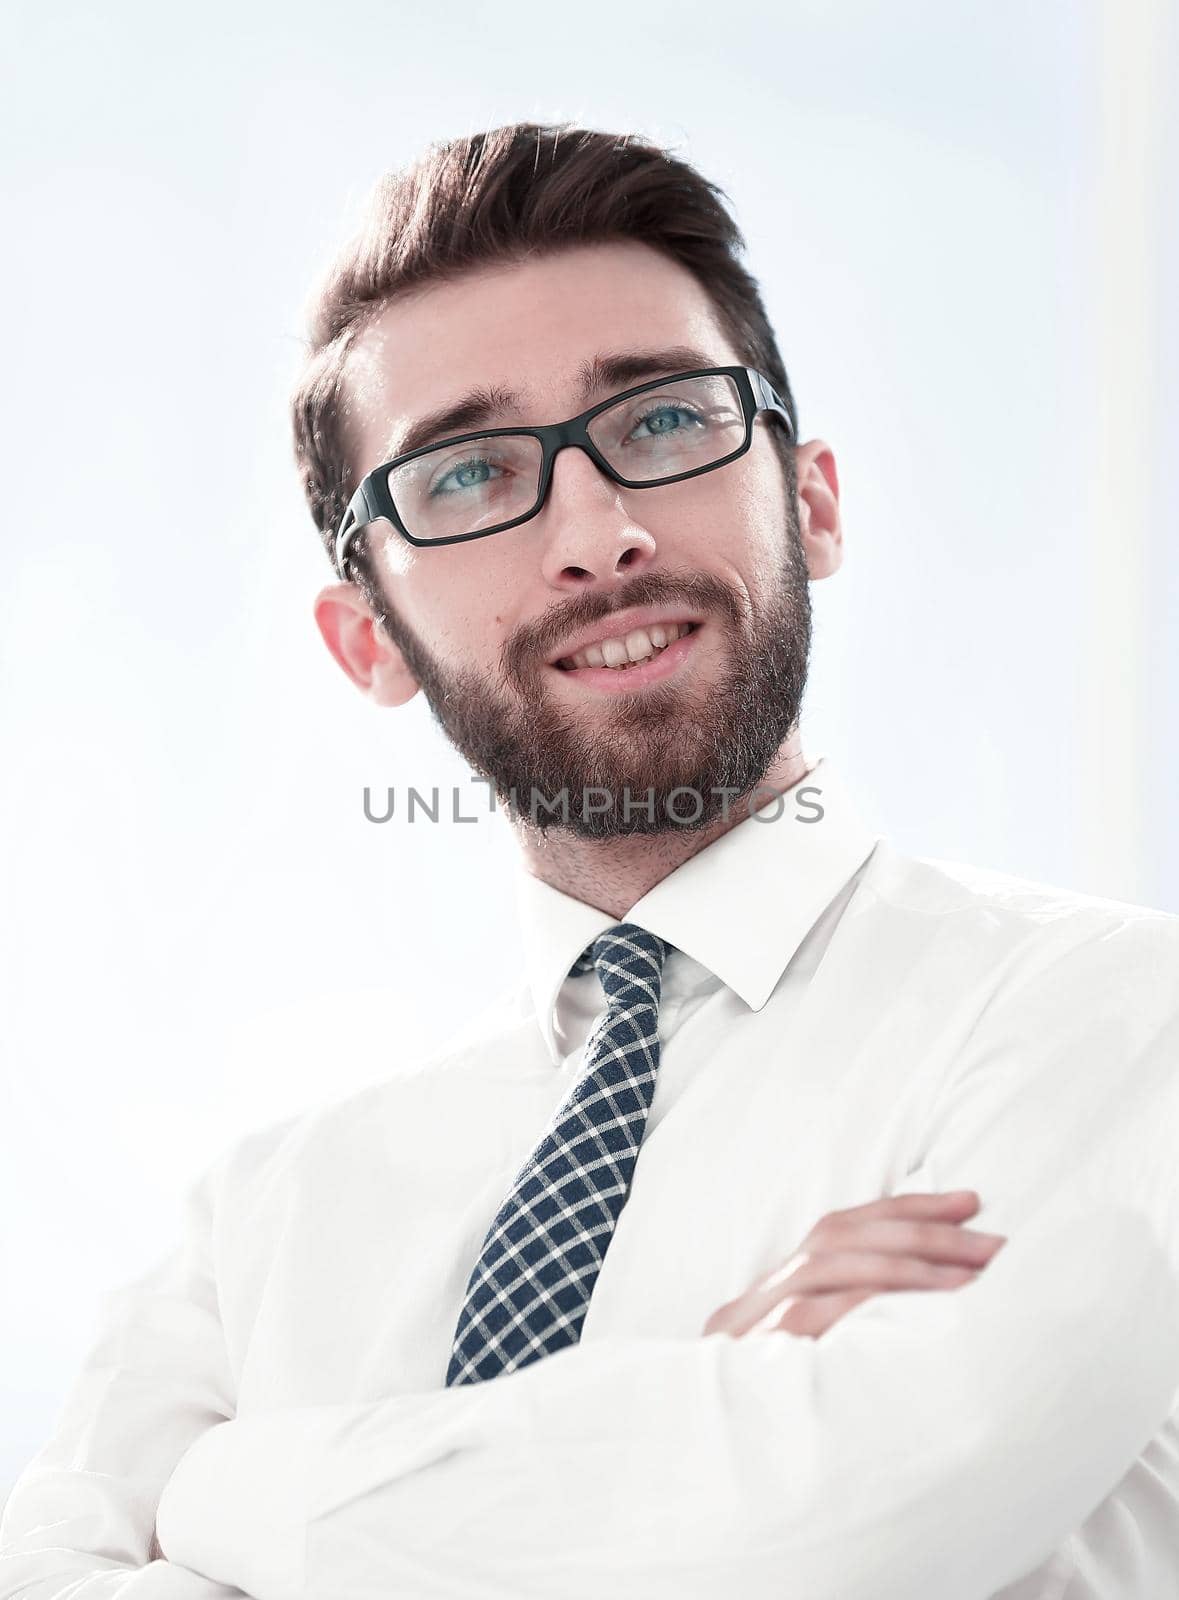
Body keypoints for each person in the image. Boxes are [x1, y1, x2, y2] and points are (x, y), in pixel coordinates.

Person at [3, 121, 1178, 1600]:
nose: (596, 533)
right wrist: (687, 1421)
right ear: (367, 641)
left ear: (810, 500)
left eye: (668, 423)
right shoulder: (259, 1224)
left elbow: (850, 1530)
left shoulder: (1116, 1024)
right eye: (469, 473)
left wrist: (234, 1493)